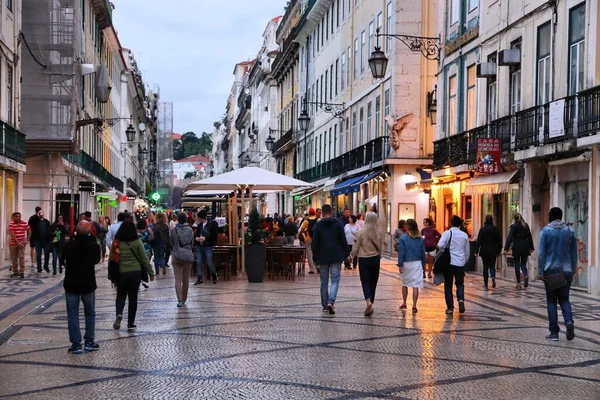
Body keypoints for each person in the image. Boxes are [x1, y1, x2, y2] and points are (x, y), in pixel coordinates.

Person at [61, 221, 101, 354]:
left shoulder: (68, 245)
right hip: (88, 284)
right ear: (89, 231)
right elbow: (96, 260)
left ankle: (76, 344)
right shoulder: (94, 246)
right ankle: (89, 342)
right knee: (90, 313)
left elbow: (63, 260)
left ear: (76, 231)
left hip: (71, 283)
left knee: (72, 315)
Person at [538, 207, 577, 341]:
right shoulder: (569, 231)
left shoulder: (546, 231)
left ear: (551, 216)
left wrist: (540, 271)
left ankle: (554, 332)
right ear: (560, 216)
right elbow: (574, 254)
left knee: (551, 301)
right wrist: (572, 270)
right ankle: (569, 322)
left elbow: (541, 254)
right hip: (566, 271)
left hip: (551, 271)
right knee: (565, 299)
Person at [111, 220, 155, 332]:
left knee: (120, 296)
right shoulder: (137, 241)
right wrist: (151, 272)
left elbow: (112, 258)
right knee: (133, 297)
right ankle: (131, 323)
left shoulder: (116, 242)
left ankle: (119, 313)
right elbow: (144, 258)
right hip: (135, 273)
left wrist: (110, 274)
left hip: (121, 273)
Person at [312, 204, 350, 315]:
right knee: (335, 280)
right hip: (336, 255)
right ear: (332, 212)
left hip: (322, 256)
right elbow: (343, 240)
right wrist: (347, 253)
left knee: (323, 281)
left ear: (322, 213)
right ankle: (331, 302)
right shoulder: (338, 224)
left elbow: (315, 244)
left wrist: (315, 257)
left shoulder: (318, 225)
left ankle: (325, 305)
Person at [350, 212, 382, 316]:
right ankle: (371, 302)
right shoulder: (379, 233)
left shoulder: (360, 232)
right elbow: (380, 248)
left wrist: (351, 256)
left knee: (365, 281)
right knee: (373, 282)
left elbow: (356, 246)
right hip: (375, 259)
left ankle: (368, 301)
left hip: (364, 259)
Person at [438, 215, 470, 315]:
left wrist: (444, 249)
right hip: (460, 263)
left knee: (448, 285)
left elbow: (440, 245)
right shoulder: (464, 235)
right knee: (460, 283)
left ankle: (450, 308)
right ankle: (460, 299)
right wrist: (464, 260)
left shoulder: (448, 233)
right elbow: (467, 251)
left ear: (451, 223)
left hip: (449, 263)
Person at [398, 219, 426, 313]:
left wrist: (400, 264)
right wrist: (423, 264)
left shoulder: (403, 238)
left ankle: (404, 302)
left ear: (408, 227)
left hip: (407, 263)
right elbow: (423, 253)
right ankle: (414, 305)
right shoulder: (420, 239)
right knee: (415, 285)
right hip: (417, 263)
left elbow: (401, 252)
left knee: (405, 284)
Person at [504, 213, 535, 289]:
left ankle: (518, 283)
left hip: (517, 246)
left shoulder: (514, 226)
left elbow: (510, 238)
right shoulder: (526, 225)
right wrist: (531, 247)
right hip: (525, 246)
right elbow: (529, 237)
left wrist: (506, 248)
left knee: (517, 264)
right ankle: (526, 275)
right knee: (523, 264)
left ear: (514, 219)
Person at [171, 213, 194, 307]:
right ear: (186, 220)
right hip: (187, 255)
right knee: (186, 278)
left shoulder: (173, 230)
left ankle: (179, 300)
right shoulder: (190, 230)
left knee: (177, 278)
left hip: (176, 255)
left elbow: (171, 242)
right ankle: (184, 298)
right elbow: (192, 243)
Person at [475, 215, 502, 290]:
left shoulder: (482, 229)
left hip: (484, 251)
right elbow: (499, 241)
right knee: (492, 266)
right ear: (492, 220)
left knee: (485, 267)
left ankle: (486, 284)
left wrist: (476, 251)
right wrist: (499, 250)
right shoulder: (495, 229)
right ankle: (493, 277)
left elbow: (479, 241)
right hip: (493, 250)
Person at [194, 210, 218, 285]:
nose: (197, 219)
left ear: (201, 218)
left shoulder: (212, 224)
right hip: (199, 246)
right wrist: (197, 238)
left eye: (198, 217)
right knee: (198, 262)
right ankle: (199, 278)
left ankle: (214, 275)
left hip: (208, 246)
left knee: (209, 262)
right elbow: (197, 234)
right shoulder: (199, 225)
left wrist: (206, 239)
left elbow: (214, 236)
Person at [9, 212, 30, 278]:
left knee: (21, 257)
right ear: (14, 217)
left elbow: (29, 230)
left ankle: (22, 271)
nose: (18, 217)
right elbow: (12, 234)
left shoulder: (24, 223)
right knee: (14, 258)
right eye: (16, 216)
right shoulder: (11, 224)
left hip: (22, 243)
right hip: (13, 243)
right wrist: (18, 242)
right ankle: (15, 272)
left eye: (19, 216)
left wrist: (27, 240)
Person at [300, 208, 319, 274]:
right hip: (317, 239)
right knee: (317, 253)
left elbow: (302, 230)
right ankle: (318, 266)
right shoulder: (318, 220)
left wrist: (305, 236)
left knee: (309, 254)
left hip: (309, 239)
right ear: (314, 213)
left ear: (309, 213)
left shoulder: (306, 221)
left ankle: (312, 269)